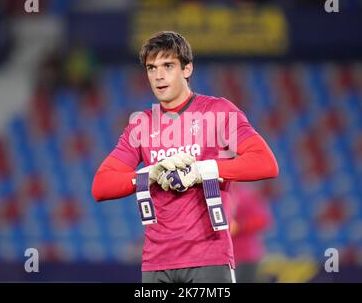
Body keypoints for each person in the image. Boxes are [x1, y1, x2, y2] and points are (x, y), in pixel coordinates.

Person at [91, 31, 278, 283]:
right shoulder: (141, 125)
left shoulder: (218, 111)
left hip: (208, 258)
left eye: (168, 66)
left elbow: (265, 163)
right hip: (156, 263)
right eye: (151, 68)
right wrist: (149, 174)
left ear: (187, 69)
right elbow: (101, 186)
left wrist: (204, 170)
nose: (158, 76)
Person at [229, 182, 273, 282]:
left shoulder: (246, 194)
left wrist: (240, 226)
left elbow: (263, 219)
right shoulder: (218, 191)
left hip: (246, 254)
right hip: (227, 255)